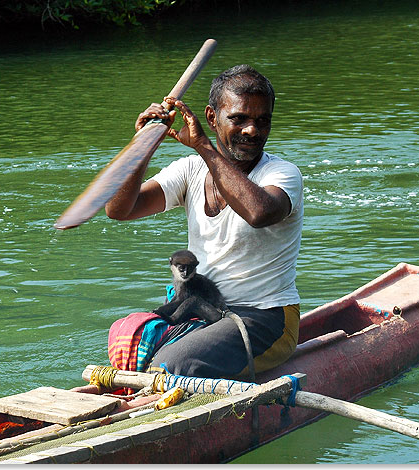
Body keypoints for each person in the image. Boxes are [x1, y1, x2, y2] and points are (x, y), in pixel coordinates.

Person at [105, 64, 303, 381]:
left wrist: (203, 146)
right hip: (202, 308)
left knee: (173, 365)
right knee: (126, 339)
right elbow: (119, 209)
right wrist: (141, 146)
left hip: (264, 317)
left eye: (262, 120)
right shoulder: (189, 170)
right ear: (212, 118)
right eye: (239, 119)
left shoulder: (282, 174)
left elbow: (258, 213)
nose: (252, 130)